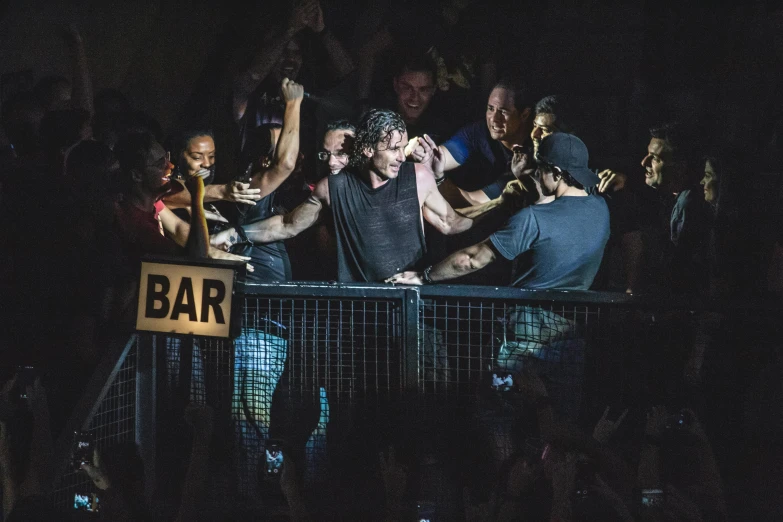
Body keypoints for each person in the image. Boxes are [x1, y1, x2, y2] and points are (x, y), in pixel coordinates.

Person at [212, 108, 519, 283]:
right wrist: (236, 232)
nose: (401, 156)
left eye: (402, 147)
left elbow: (452, 224)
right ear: (369, 151)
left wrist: (499, 205)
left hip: (409, 304)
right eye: (393, 149)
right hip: (359, 311)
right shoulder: (334, 188)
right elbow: (287, 225)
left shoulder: (419, 177)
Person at [408, 78, 535, 196]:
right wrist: (422, 153)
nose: (494, 119)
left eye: (503, 111)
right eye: (491, 109)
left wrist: (439, 178)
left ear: (524, 114)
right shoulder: (479, 132)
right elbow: (443, 155)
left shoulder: (534, 152)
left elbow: (473, 203)